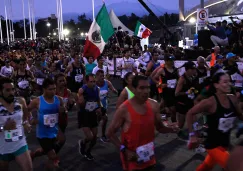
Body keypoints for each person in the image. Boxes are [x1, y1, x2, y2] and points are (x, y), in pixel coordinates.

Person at [107, 75, 179, 171]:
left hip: (149, 157)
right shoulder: (124, 109)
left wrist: (171, 128)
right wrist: (124, 150)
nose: (146, 91)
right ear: (133, 89)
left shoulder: (154, 105)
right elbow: (110, 133)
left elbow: (160, 127)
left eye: (148, 88)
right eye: (142, 88)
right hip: (132, 160)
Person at [187, 72, 243, 171]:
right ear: (216, 85)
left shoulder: (233, 99)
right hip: (212, 145)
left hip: (225, 144)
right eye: (225, 82)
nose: (229, 84)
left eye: (229, 81)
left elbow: (241, 115)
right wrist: (192, 135)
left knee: (207, 166)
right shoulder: (209, 102)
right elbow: (190, 113)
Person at [28, 78, 66, 170]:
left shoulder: (59, 99)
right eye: (50, 89)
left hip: (54, 130)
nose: (53, 91)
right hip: (43, 133)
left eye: (54, 89)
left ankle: (34, 154)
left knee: (62, 140)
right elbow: (26, 111)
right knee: (53, 157)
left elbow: (63, 111)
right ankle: (51, 160)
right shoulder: (37, 101)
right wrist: (31, 119)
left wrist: (63, 111)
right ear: (44, 89)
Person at [0, 77, 32, 171]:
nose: (11, 93)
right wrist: (3, 127)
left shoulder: (20, 101)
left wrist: (26, 123)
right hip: (2, 148)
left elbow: (25, 117)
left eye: (13, 89)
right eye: (8, 90)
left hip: (19, 144)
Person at [77, 74, 102, 160]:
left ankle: (88, 151)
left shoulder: (97, 89)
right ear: (86, 82)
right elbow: (79, 103)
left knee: (95, 137)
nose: (93, 83)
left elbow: (98, 100)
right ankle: (83, 143)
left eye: (94, 81)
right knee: (89, 137)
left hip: (93, 113)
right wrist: (81, 100)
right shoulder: (82, 90)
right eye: (91, 82)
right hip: (84, 114)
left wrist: (99, 108)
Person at [95, 70, 117, 142]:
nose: (102, 77)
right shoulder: (94, 84)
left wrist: (114, 91)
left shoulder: (107, 82)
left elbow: (113, 89)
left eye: (103, 75)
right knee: (104, 119)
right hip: (95, 106)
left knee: (101, 120)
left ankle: (100, 134)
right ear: (96, 77)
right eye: (100, 76)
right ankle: (99, 135)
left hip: (104, 105)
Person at [175, 61, 197, 130]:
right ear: (187, 69)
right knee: (180, 125)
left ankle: (195, 135)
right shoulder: (182, 79)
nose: (194, 71)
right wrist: (187, 92)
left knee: (194, 120)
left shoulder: (193, 76)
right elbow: (176, 93)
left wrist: (194, 91)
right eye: (192, 69)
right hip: (182, 104)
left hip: (190, 102)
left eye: (194, 69)